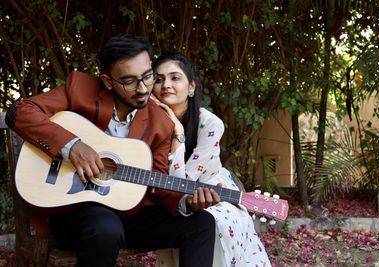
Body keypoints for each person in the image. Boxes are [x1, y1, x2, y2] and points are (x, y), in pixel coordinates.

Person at [5, 35, 221, 267]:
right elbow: (21, 111)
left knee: (202, 224)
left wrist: (187, 202)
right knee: (105, 227)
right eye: (129, 81)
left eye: (148, 77)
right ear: (108, 81)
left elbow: (158, 186)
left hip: (128, 213)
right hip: (75, 211)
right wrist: (73, 147)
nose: (142, 88)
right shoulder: (81, 88)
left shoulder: (160, 122)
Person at [152, 52, 272, 267]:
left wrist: (177, 132)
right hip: (167, 195)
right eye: (158, 79)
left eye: (175, 78)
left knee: (214, 224)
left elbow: (184, 183)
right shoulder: (148, 121)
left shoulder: (210, 123)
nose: (165, 85)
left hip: (211, 190)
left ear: (191, 87)